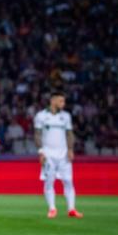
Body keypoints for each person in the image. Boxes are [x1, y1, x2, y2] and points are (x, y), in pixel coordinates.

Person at [34, 90, 82, 218]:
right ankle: (52, 208)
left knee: (68, 181)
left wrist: (71, 149)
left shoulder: (66, 116)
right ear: (53, 100)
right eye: (61, 100)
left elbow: (69, 134)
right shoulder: (41, 116)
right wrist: (41, 152)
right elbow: (37, 135)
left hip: (63, 154)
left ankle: (71, 209)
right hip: (48, 154)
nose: (63, 103)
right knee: (49, 182)